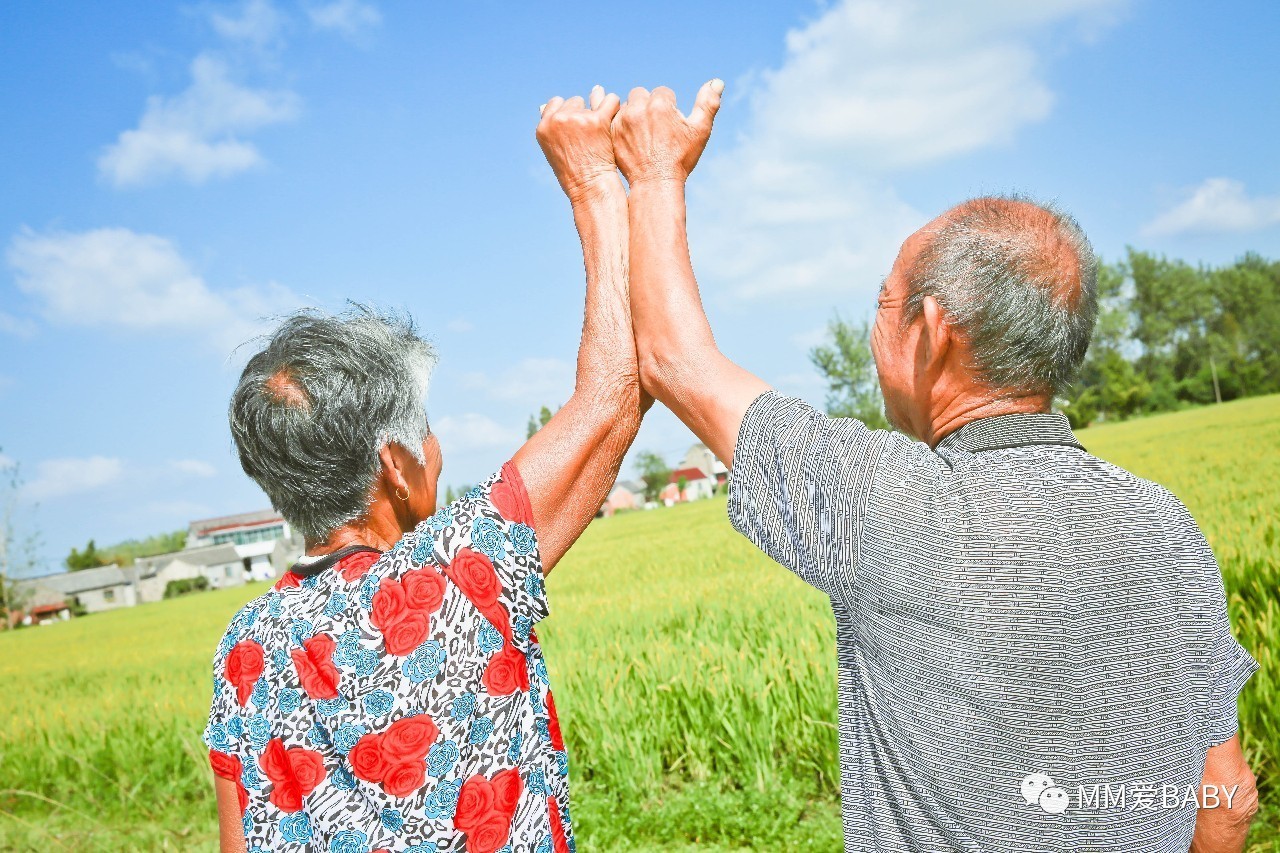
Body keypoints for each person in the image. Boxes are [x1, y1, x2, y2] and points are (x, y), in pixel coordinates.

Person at [611, 81, 1259, 852]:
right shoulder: (1165, 520)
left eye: (881, 306)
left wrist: (651, 176)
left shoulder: (890, 502)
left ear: (931, 329)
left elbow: (676, 361)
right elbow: (1225, 801)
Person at [202, 86, 640, 852]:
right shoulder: (462, 572)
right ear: (395, 467)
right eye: (426, 432)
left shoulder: (246, 645)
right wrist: (597, 187)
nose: (439, 449)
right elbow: (613, 398)